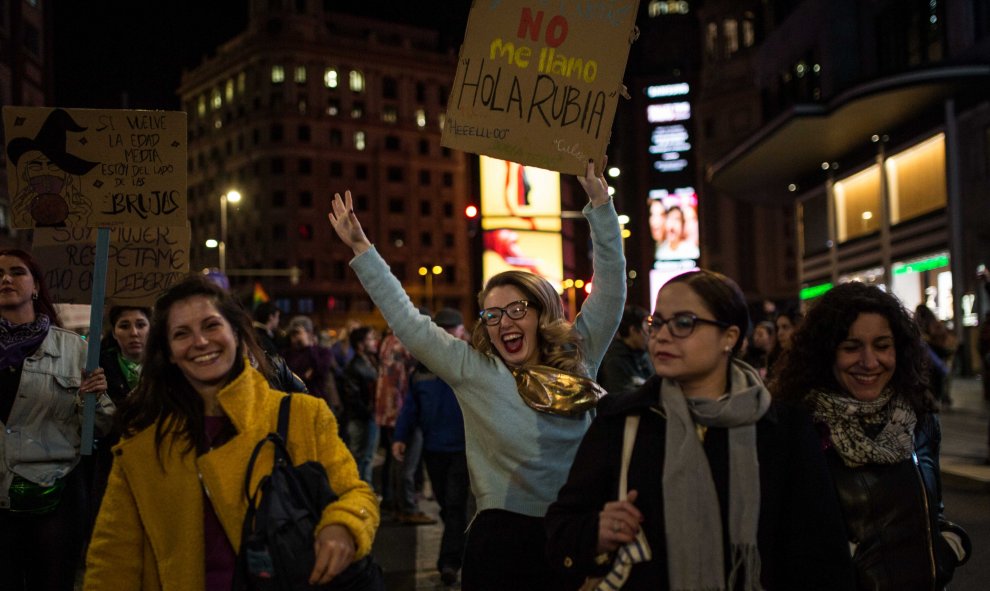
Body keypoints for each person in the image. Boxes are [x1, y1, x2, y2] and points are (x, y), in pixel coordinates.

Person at [328, 159, 625, 589]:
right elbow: (410, 323)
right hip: (503, 541)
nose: (504, 323)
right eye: (492, 314)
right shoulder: (474, 371)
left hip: (578, 531)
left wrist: (601, 206)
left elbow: (612, 288)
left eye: (516, 310)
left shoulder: (578, 354)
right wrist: (363, 251)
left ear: (541, 314)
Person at [545, 269, 850, 590]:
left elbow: (821, 556)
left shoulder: (782, 428)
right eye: (658, 323)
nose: (662, 336)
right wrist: (596, 532)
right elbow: (561, 531)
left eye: (683, 323)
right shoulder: (622, 420)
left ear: (729, 337)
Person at [84, 275, 378, 591]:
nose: (200, 342)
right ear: (168, 352)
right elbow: (112, 563)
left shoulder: (301, 416)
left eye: (211, 325)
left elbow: (355, 493)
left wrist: (343, 525)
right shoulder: (141, 446)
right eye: (182, 333)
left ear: (236, 334)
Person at [770, 281, 971, 589]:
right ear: (826, 352)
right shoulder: (797, 427)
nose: (869, 361)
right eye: (851, 347)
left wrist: (948, 549)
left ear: (899, 349)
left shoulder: (918, 419)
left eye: (881, 345)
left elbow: (933, 514)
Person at [0, 248, 113, 591]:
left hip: (54, 500)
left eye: (17, 272)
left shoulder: (75, 349)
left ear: (35, 287)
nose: (5, 279)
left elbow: (104, 425)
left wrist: (90, 399)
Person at [392, 308, 471, 586]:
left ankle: (449, 562)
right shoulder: (422, 367)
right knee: (446, 504)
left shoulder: (472, 362)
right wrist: (400, 436)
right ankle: (458, 552)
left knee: (454, 505)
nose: (448, 334)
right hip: (434, 449)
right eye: (444, 329)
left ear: (462, 331)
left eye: (453, 329)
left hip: (464, 448)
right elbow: (411, 406)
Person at [87, 306, 151, 537]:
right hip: (111, 461)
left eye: (141, 324)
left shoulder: (168, 367)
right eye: (124, 326)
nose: (134, 332)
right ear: (114, 333)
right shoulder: (97, 368)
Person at [340, 325, 380, 484]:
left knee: (367, 457)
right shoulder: (355, 366)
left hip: (369, 417)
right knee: (361, 457)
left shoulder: (370, 361)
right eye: (370, 339)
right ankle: (360, 493)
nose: (374, 342)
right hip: (361, 419)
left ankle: (365, 493)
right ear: (360, 344)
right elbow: (353, 397)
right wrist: (369, 412)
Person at [283, 315, 342, 413]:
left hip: (317, 403)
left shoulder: (323, 352)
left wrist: (309, 347)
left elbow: (320, 370)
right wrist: (304, 376)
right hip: (296, 404)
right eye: (292, 334)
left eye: (297, 333)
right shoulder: (287, 354)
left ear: (309, 333)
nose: (294, 337)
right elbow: (288, 378)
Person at [596, 305, 653, 396]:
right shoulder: (614, 360)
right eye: (647, 330)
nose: (650, 335)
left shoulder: (645, 355)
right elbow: (619, 400)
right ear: (633, 330)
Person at [914, 303, 957, 405]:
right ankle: (942, 397)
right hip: (937, 354)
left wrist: (926, 338)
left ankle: (941, 397)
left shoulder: (930, 323)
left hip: (936, 353)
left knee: (938, 376)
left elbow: (936, 334)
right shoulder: (932, 322)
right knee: (941, 376)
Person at [765, 307, 801, 379]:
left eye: (785, 327)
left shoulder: (807, 358)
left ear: (798, 328)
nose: (779, 333)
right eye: (778, 328)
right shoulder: (774, 358)